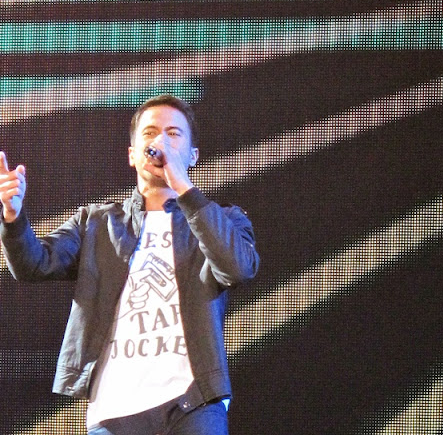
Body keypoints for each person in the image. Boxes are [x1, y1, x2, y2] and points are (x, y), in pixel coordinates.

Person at [0, 95, 259, 435]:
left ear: (193, 156)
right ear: (132, 154)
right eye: (150, 133)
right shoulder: (97, 222)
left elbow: (238, 267)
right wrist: (13, 215)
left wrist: (182, 185)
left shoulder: (224, 219)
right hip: (115, 407)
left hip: (193, 402)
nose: (160, 141)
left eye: (173, 134)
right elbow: (33, 264)